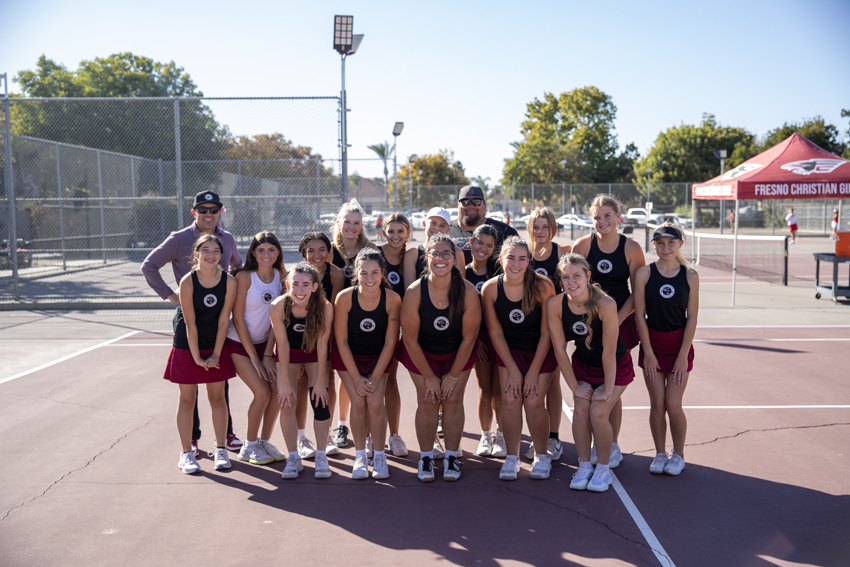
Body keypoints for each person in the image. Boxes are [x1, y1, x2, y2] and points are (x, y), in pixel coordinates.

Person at [142, 190, 243, 456]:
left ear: (219, 212)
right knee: (190, 386)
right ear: (194, 212)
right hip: (189, 316)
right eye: (203, 210)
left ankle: (226, 435)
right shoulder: (179, 239)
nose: (208, 214)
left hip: (219, 318)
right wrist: (170, 295)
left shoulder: (228, 239)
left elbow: (237, 267)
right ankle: (193, 440)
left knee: (219, 385)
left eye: (213, 210)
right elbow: (149, 265)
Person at [548, 253, 635, 493]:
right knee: (581, 409)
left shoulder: (606, 304)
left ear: (588, 276)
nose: (571, 282)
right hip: (583, 366)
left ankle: (603, 469)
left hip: (615, 365)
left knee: (598, 412)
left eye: (576, 276)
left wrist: (607, 391)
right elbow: (559, 349)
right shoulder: (555, 304)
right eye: (565, 277)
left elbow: (609, 352)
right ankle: (584, 466)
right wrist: (575, 387)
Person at [571, 195, 645, 469]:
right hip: (589, 321)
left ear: (618, 216)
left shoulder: (632, 248)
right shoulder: (584, 245)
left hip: (621, 319)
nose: (602, 221)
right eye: (597, 217)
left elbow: (638, 293)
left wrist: (615, 318)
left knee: (610, 388)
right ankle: (599, 442)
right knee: (596, 384)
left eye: (607, 216)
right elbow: (571, 281)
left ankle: (611, 444)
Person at [399, 235, 481, 482]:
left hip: (458, 354)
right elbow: (410, 340)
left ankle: (452, 456)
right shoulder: (415, 292)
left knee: (454, 398)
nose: (441, 259)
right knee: (428, 399)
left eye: (447, 254)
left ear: (455, 258)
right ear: (427, 257)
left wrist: (453, 375)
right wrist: (430, 377)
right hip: (422, 355)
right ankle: (425, 456)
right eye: (436, 254)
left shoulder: (467, 291)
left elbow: (469, 338)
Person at [482, 237, 557, 480]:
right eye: (510, 258)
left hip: (540, 351)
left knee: (534, 401)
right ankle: (512, 457)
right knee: (511, 399)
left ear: (529, 261)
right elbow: (495, 333)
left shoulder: (543, 286)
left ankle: (541, 456)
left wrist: (533, 372)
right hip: (510, 352)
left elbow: (547, 333)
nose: (516, 264)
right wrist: (513, 370)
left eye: (522, 258)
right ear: (501, 259)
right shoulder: (491, 288)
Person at [164, 234, 237, 474]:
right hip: (188, 345)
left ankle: (221, 449)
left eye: (216, 250)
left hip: (215, 342)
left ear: (221, 255)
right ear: (196, 254)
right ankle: (186, 454)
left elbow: (224, 321)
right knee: (187, 399)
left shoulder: (229, 281)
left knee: (218, 398)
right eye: (205, 250)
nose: (211, 255)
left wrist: (216, 354)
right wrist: (196, 357)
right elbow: (190, 323)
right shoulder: (187, 281)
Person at [634, 225, 699, 476]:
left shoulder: (690, 275)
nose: (665, 248)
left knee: (673, 403)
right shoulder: (644, 274)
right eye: (660, 243)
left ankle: (678, 454)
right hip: (653, 346)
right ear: (654, 245)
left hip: (678, 347)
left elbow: (691, 317)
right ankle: (660, 453)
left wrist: (683, 355)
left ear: (680, 244)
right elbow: (640, 315)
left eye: (670, 243)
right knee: (657, 404)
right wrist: (647, 352)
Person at [333, 249, 402, 479]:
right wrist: (355, 377)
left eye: (374, 273)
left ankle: (380, 455)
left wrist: (374, 376)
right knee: (358, 403)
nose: (369, 278)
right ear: (356, 274)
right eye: (364, 273)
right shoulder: (344, 298)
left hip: (378, 358)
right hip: (348, 358)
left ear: (383, 273)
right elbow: (341, 341)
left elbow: (391, 341)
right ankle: (361, 455)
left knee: (374, 402)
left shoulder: (392, 299)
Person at [227, 232, 287, 466]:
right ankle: (248, 446)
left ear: (278, 253)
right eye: (261, 250)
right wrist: (255, 357)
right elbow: (238, 319)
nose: (266, 254)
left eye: (271, 250)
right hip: (240, 344)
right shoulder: (244, 277)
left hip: (265, 347)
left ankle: (263, 442)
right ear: (253, 252)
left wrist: (268, 354)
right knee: (262, 393)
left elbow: (277, 319)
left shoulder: (281, 277)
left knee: (277, 394)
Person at [271, 263, 335, 480]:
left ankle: (321, 455)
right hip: (290, 355)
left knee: (320, 401)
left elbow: (323, 344)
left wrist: (319, 381)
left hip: (314, 353)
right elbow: (283, 344)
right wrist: (285, 383)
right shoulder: (278, 306)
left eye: (305, 284)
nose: (300, 289)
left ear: (315, 287)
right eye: (295, 284)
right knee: (286, 402)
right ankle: (292, 457)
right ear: (288, 284)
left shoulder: (325, 307)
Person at [329, 200, 378, 450]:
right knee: (343, 375)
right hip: (338, 319)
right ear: (339, 223)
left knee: (370, 377)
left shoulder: (370, 249)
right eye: (347, 222)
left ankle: (370, 433)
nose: (351, 226)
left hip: (366, 319)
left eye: (356, 223)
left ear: (362, 226)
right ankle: (341, 424)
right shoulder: (328, 250)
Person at [526, 207, 572, 462]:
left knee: (552, 381)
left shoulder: (563, 252)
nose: (540, 231)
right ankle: (537, 437)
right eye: (536, 226)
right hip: (528, 326)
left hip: (556, 325)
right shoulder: (524, 254)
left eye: (544, 226)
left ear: (552, 228)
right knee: (533, 387)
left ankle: (553, 437)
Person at [297, 232, 344, 460]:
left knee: (326, 383)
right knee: (301, 382)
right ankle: (300, 437)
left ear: (329, 251)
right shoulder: (296, 275)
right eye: (311, 250)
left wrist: (328, 342)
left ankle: (325, 436)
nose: (317, 255)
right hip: (299, 338)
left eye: (322, 249)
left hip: (324, 335)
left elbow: (333, 310)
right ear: (304, 253)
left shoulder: (335, 274)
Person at [464, 224, 507, 459]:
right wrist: (475, 341)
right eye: (480, 242)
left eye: (490, 245)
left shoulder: (498, 272)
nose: (483, 248)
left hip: (498, 338)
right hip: (476, 340)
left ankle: (501, 435)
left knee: (500, 391)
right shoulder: (462, 272)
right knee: (485, 390)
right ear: (471, 242)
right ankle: (485, 434)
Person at [378, 213, 413, 456]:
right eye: (391, 231)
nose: (395, 236)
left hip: (397, 330)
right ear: (383, 232)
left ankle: (394, 435)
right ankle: (370, 436)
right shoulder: (373, 253)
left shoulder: (410, 258)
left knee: (390, 383)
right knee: (370, 383)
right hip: (372, 329)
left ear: (408, 233)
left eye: (400, 231)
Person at [448, 185, 518, 264]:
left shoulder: (504, 231)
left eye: (476, 202)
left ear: (484, 204)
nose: (471, 206)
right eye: (465, 202)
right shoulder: (446, 230)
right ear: (458, 205)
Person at [404, 207, 465, 289]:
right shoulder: (412, 254)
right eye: (433, 223)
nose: (436, 228)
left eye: (442, 225)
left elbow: (460, 288)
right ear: (424, 224)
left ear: (448, 230)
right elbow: (409, 291)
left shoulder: (457, 252)